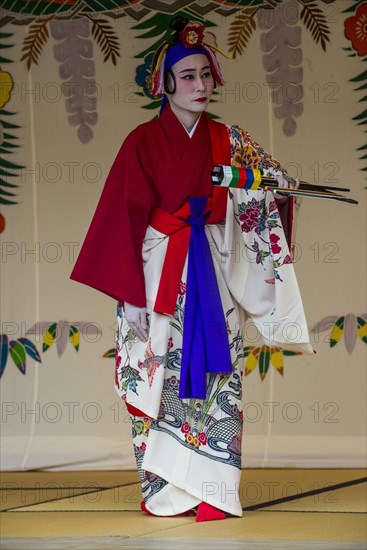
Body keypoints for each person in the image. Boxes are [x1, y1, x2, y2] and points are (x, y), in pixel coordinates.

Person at [71, 17, 313, 521]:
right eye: (187, 77)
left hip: (215, 267)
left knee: (218, 371)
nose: (200, 85)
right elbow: (119, 222)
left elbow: (274, 186)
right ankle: (165, 488)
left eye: (206, 75)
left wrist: (269, 189)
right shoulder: (141, 141)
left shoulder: (229, 138)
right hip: (157, 270)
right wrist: (131, 297)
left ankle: (214, 489)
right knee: (155, 367)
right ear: (164, 84)